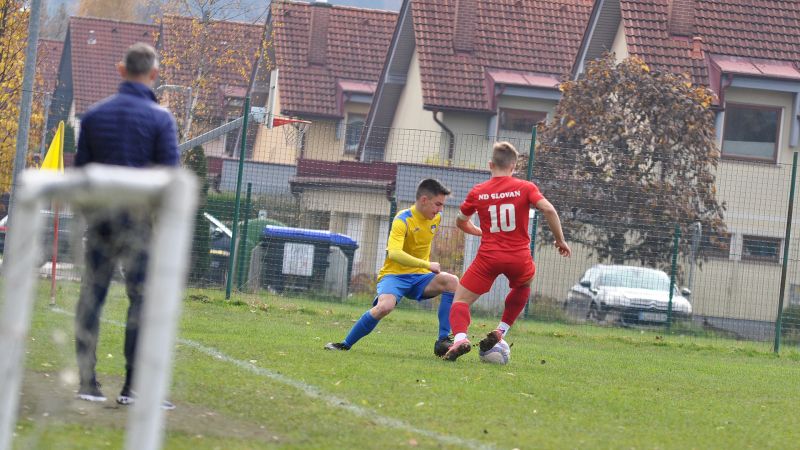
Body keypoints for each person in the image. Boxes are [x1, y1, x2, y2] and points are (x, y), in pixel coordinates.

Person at [74, 43, 179, 408]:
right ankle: (133, 387)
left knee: (92, 298)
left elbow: (81, 175)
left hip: (101, 222)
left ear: (121, 70)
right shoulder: (161, 119)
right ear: (153, 74)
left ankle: (87, 382)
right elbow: (169, 179)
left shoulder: (92, 116)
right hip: (139, 226)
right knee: (143, 303)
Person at [443, 141, 571, 361]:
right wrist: (560, 240)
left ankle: (461, 339)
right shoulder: (525, 187)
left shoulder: (478, 192)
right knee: (524, 283)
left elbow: (460, 221)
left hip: (488, 258)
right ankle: (501, 330)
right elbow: (548, 209)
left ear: (490, 164)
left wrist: (479, 232)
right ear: (513, 166)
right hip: (518, 257)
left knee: (461, 301)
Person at [325, 179, 458, 356]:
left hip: (420, 278)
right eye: (438, 204)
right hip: (394, 276)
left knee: (452, 281)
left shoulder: (436, 218)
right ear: (424, 200)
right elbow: (394, 253)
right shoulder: (402, 220)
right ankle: (344, 344)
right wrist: (427, 264)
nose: (440, 210)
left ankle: (443, 341)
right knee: (384, 307)